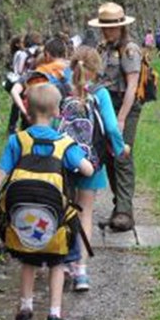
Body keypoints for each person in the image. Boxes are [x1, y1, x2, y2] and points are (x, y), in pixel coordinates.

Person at [0, 84, 94, 320]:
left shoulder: (18, 141)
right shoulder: (65, 143)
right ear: (57, 112)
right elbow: (87, 170)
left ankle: (25, 309)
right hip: (55, 218)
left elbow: (1, 173)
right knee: (57, 263)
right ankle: (54, 316)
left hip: (22, 215)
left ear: (27, 111)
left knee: (28, 260)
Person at [59, 46, 130, 290]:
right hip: (92, 161)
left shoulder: (62, 90)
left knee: (65, 209)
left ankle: (64, 265)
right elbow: (111, 128)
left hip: (65, 160)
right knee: (85, 212)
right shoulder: (100, 93)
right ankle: (81, 272)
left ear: (73, 66)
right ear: (96, 69)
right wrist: (121, 149)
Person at [88, 2, 142, 232]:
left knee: (121, 154)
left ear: (121, 27)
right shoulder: (101, 48)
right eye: (104, 27)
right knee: (108, 156)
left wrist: (121, 118)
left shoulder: (130, 50)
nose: (107, 31)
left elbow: (132, 86)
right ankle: (117, 206)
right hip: (104, 103)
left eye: (111, 27)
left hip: (124, 105)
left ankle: (124, 212)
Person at [9, 36, 71, 127]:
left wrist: (25, 112)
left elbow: (14, 91)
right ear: (65, 54)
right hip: (67, 124)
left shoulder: (37, 74)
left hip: (40, 123)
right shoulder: (74, 70)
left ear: (46, 55)